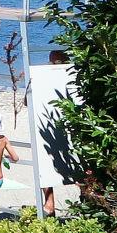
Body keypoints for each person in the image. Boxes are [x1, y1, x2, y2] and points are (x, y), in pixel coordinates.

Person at [30, 49, 83, 217]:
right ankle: (49, 204)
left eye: (56, 62)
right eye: (52, 62)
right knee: (46, 166)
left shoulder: (71, 76)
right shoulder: (50, 76)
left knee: (77, 164)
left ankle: (85, 200)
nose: (53, 65)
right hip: (53, 122)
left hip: (69, 125)